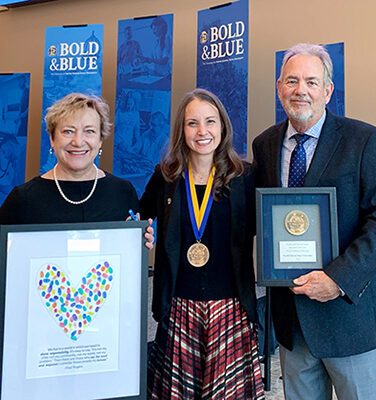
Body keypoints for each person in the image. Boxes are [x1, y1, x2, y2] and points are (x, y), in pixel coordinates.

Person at [252, 43, 376, 399]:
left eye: (311, 82)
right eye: (291, 80)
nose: (300, 90)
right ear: (279, 87)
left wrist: (337, 279)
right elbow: (259, 216)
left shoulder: (364, 139)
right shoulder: (265, 145)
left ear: (328, 90)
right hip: (293, 320)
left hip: (352, 316)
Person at [141, 88, 265, 399]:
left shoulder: (244, 176)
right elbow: (138, 218)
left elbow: (268, 227)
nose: (202, 131)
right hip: (179, 306)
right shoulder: (166, 176)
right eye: (192, 123)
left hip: (231, 307)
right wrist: (141, 233)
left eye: (210, 122)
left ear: (222, 127)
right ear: (181, 130)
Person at [0, 93, 153, 247]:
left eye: (89, 131)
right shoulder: (22, 199)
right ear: (52, 139)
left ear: (100, 140)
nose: (78, 142)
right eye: (68, 131)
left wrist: (140, 246)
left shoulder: (123, 193)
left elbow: (127, 253)